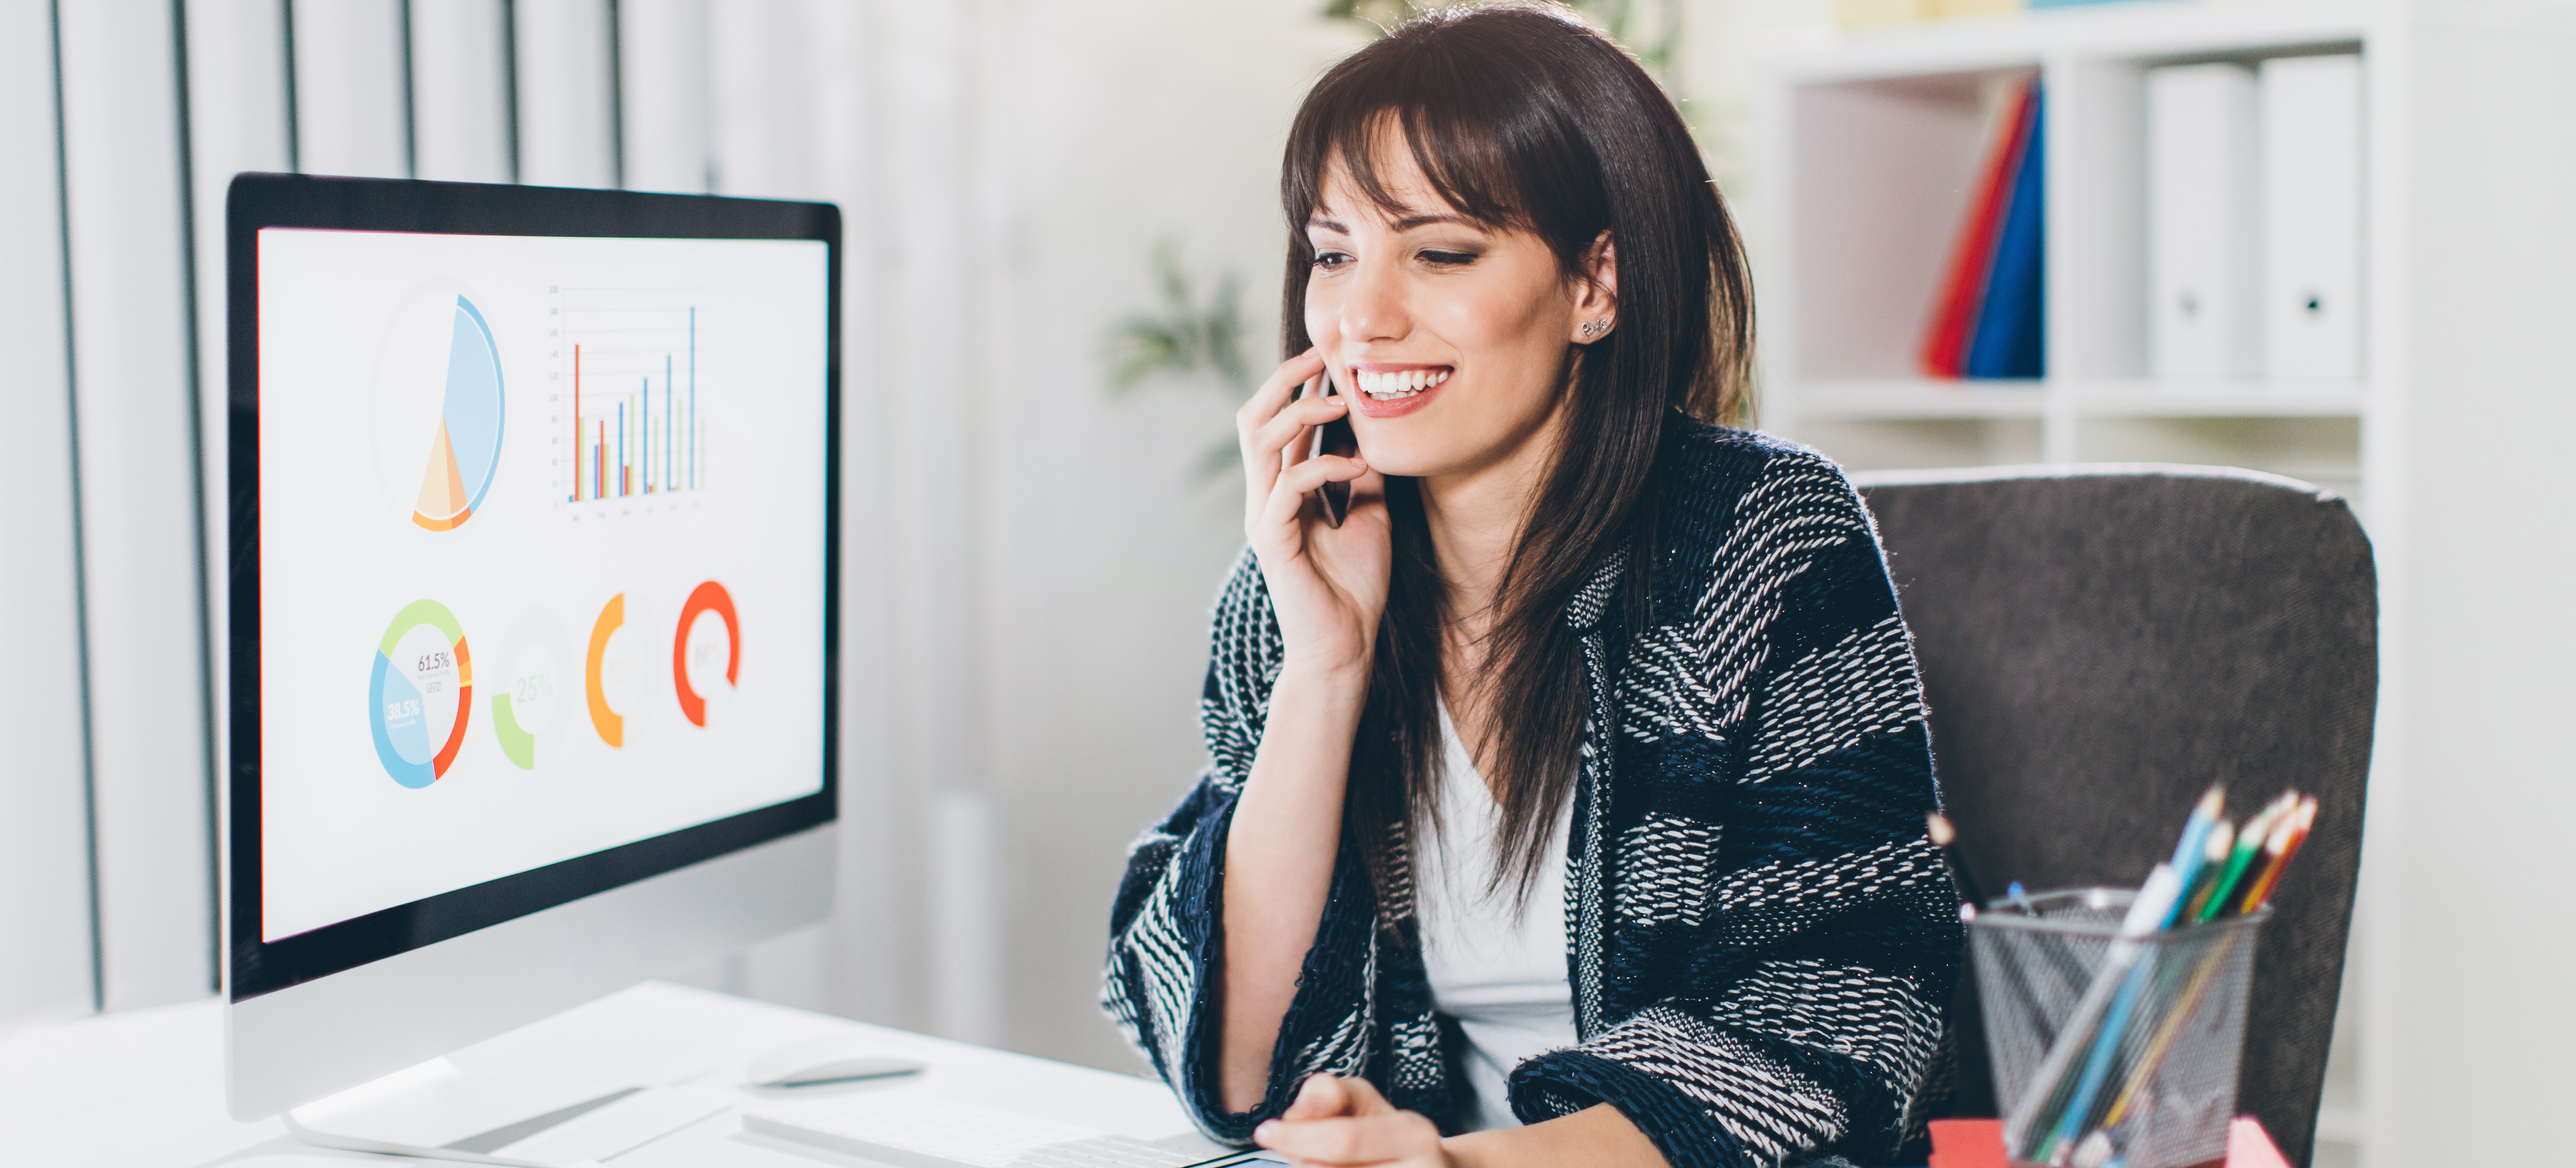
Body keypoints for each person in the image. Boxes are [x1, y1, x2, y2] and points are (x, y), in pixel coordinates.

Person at [1102, 6, 1961, 1166]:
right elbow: (1241, 1071)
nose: (1361, 319)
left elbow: (1838, 1014)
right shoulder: (1299, 576)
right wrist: (1327, 664)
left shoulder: (1761, 538)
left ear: (1594, 283)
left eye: (1440, 252)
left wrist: (1455, 1163)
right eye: (1334, 251)